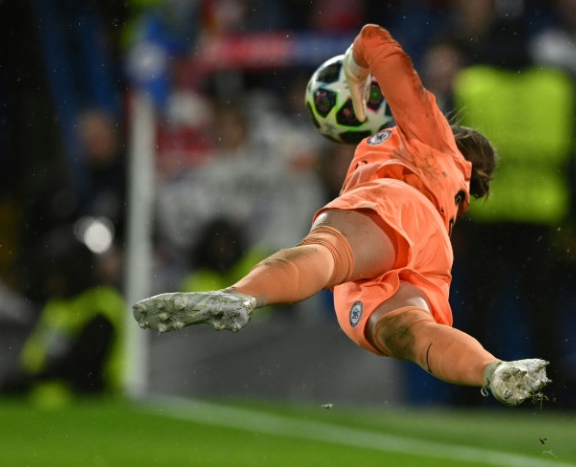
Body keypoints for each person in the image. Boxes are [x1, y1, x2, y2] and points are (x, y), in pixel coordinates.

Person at [133, 24, 550, 406]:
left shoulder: (431, 134)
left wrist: (352, 73)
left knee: (326, 250)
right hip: (429, 254)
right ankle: (493, 369)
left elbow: (374, 39)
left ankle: (240, 295)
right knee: (415, 334)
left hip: (395, 206)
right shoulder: (454, 192)